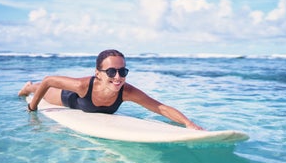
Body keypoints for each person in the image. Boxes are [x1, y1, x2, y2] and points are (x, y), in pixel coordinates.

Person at [18, 49, 203, 130]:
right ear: (98, 73)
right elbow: (49, 80)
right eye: (111, 71)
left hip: (80, 102)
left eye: (122, 71)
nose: (118, 77)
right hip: (65, 98)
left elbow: (159, 107)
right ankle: (29, 87)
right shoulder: (83, 85)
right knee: (41, 90)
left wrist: (188, 123)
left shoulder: (127, 91)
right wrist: (32, 108)